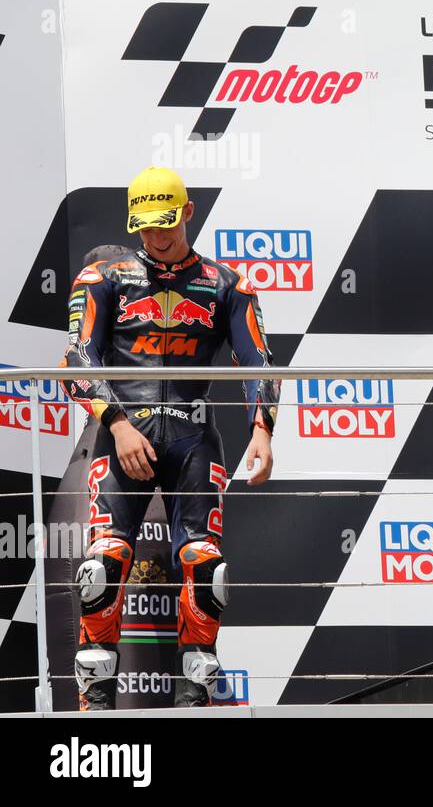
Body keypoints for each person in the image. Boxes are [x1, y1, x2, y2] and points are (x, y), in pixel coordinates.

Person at [61, 166, 279, 709]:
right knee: (102, 564)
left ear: (187, 213)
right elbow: (76, 359)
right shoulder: (103, 278)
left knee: (208, 565)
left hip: (194, 435)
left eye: (165, 224)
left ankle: (193, 693)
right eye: (145, 227)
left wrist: (262, 428)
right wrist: (115, 422)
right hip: (119, 433)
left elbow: (257, 361)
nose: (155, 238)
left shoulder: (229, 285)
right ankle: (97, 695)